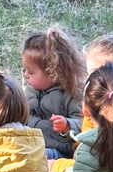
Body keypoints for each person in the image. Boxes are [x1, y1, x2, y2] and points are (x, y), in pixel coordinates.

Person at [22, 27, 85, 161]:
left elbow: (84, 123)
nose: (25, 75)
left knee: (35, 159)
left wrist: (67, 125)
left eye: (31, 72)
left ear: (53, 73)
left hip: (58, 150)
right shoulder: (31, 90)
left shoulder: (70, 93)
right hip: (32, 142)